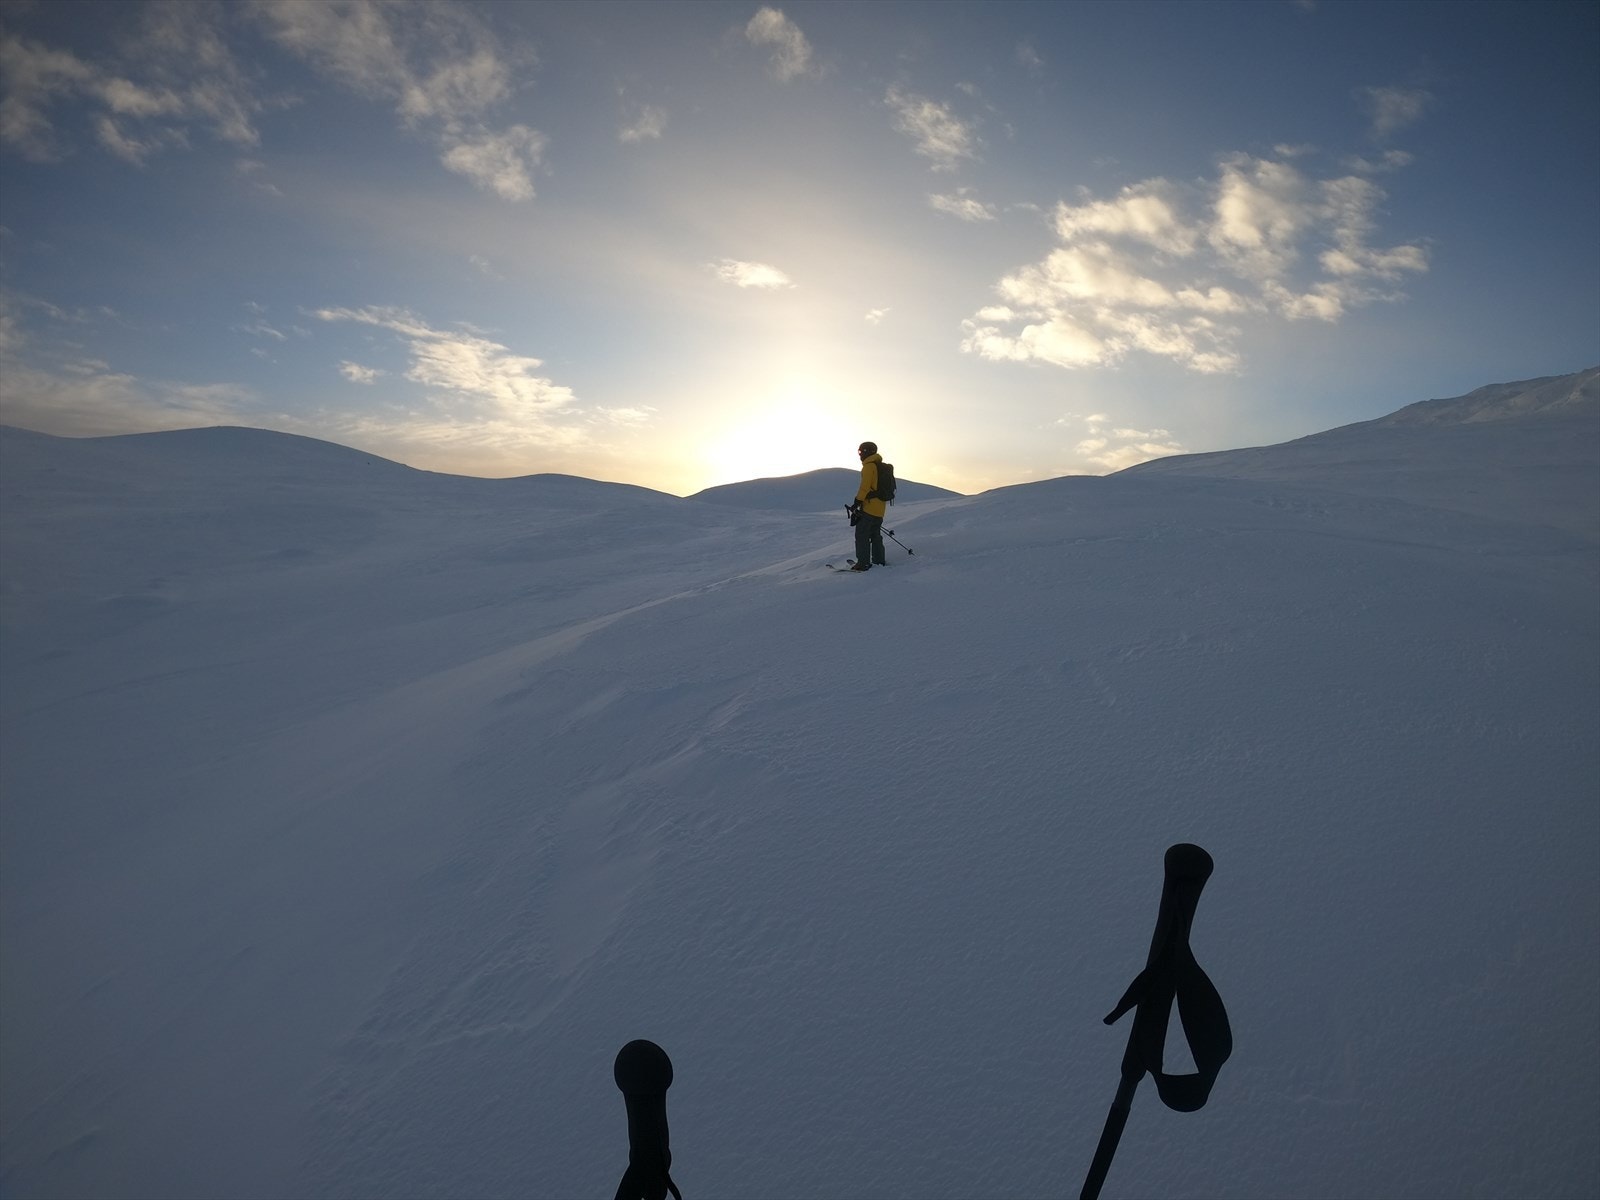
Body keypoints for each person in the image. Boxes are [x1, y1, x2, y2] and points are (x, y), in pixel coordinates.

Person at [848, 441, 888, 571]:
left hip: (869, 508)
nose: (859, 454)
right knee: (875, 535)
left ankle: (863, 563)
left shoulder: (869, 467)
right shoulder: (879, 466)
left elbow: (865, 487)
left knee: (862, 535)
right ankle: (879, 561)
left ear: (866, 452)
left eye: (861, 451)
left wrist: (857, 501)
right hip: (880, 509)